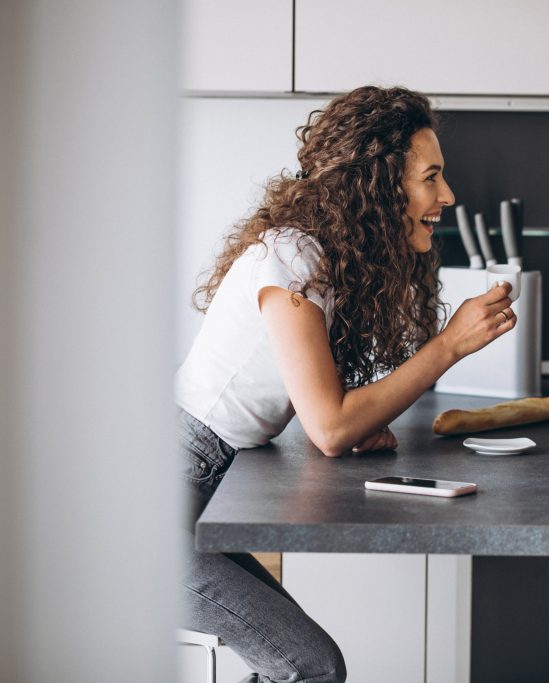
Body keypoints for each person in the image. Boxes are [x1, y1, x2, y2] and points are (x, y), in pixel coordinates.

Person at [176, 86, 517, 683]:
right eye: (431, 177)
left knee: (299, 662)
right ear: (380, 184)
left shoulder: (322, 260)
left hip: (193, 481)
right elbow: (330, 427)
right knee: (310, 665)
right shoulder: (291, 261)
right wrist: (450, 345)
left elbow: (327, 417)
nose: (448, 196)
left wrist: (354, 422)